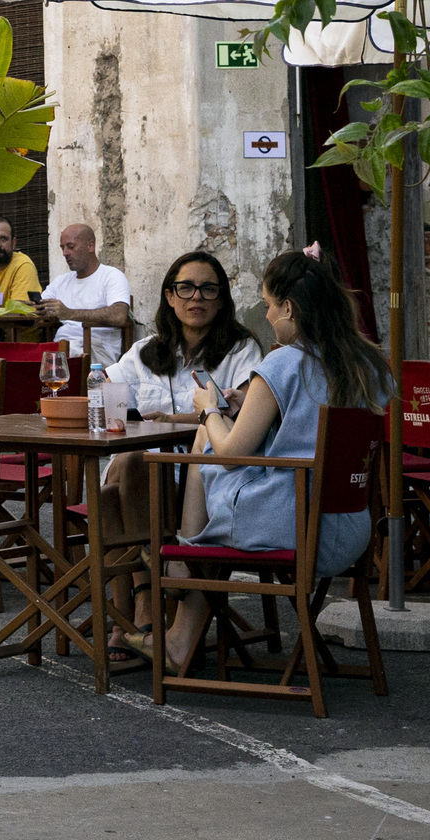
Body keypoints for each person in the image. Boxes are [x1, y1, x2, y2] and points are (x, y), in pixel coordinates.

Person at [154, 249, 394, 674]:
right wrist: (251, 400)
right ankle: (184, 571)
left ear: (288, 307)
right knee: (217, 439)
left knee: (203, 439)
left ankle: (184, 556)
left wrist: (210, 407)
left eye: (267, 305)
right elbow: (312, 411)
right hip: (349, 528)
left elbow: (230, 457)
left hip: (289, 525)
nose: (265, 316)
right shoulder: (368, 363)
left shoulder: (281, 362)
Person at [93, 249, 263, 625]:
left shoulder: (240, 351)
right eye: (185, 289)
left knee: (131, 465)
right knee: (111, 487)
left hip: (205, 478)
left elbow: (242, 412)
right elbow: (105, 388)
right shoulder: (145, 351)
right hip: (147, 474)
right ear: (169, 297)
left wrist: (171, 419)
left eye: (207, 290)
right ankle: (133, 607)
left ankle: (144, 608)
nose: (196, 298)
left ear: (222, 300)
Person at [44, 222, 134, 371]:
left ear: (90, 246)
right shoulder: (61, 281)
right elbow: (40, 305)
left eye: (71, 247)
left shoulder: (111, 276)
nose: (65, 253)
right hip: (62, 348)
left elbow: (119, 314)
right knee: (33, 356)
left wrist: (71, 314)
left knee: (60, 356)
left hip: (96, 351)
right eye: (62, 248)